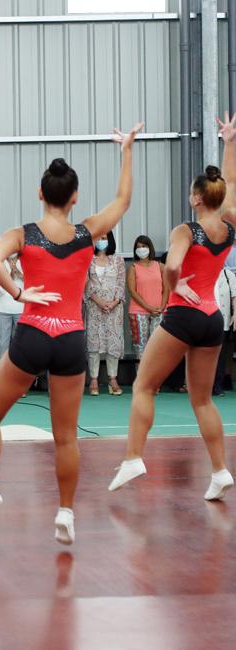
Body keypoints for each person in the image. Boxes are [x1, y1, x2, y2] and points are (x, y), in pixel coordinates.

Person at [0, 123, 143, 546]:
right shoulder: (87, 234)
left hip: (32, 331)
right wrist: (126, 151)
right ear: (75, 197)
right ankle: (65, 513)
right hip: (70, 339)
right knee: (66, 437)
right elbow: (123, 201)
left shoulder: (23, 234)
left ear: (40, 194)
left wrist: (18, 290)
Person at [109, 115, 236, 500]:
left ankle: (133, 457)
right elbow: (232, 185)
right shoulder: (230, 225)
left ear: (197, 197)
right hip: (213, 318)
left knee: (145, 385)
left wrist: (173, 283)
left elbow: (174, 263)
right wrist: (230, 142)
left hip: (183, 313)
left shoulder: (186, 230)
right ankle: (219, 470)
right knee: (202, 399)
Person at [84, 231, 126, 396]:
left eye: (103, 238)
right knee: (94, 343)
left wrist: (114, 302)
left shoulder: (118, 260)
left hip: (114, 308)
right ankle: (94, 379)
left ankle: (112, 378)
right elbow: (85, 283)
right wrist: (98, 301)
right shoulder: (88, 260)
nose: (101, 241)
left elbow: (121, 284)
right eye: (98, 239)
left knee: (113, 342)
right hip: (94, 307)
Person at [126, 235, 167, 359]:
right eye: (138, 247)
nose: (141, 249)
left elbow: (167, 289)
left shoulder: (160, 266)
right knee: (140, 348)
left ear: (150, 248)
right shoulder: (133, 268)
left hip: (159, 311)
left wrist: (162, 306)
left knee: (157, 347)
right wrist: (148, 307)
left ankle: (156, 378)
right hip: (138, 312)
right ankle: (141, 377)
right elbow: (132, 291)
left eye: (144, 246)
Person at [0, 253, 24, 365]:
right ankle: (0, 376)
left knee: (21, 344)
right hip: (2, 309)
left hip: (22, 308)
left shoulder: (27, 261)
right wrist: (8, 276)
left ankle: (19, 375)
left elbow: (35, 284)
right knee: (1, 345)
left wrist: (19, 274)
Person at [213, 265, 236, 395]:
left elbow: (235, 297)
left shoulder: (228, 275)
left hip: (223, 321)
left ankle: (217, 386)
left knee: (220, 355)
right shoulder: (202, 274)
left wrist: (235, 315)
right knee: (205, 355)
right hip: (205, 320)